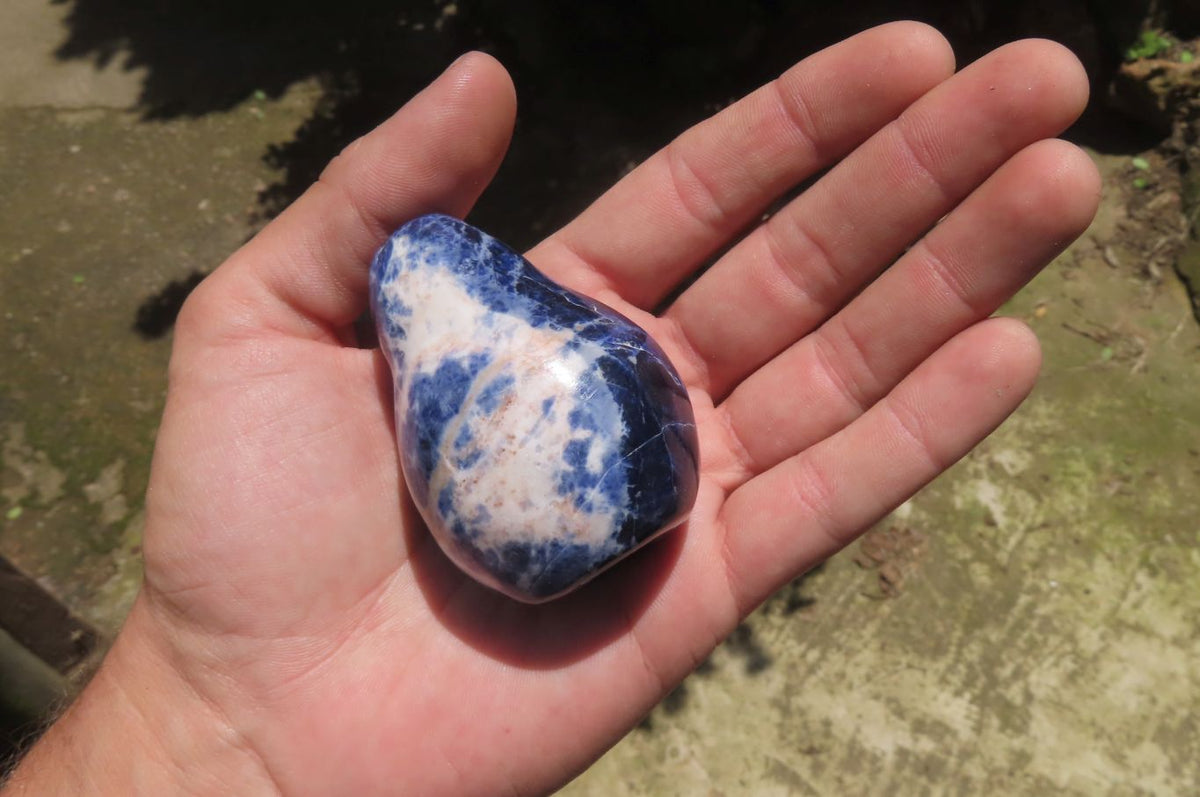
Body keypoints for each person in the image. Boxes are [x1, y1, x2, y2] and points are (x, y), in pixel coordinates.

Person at [1, 22, 1099, 796]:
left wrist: (201, 744)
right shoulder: (436, 296)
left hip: (561, 507)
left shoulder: (433, 296)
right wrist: (212, 729)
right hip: (579, 491)